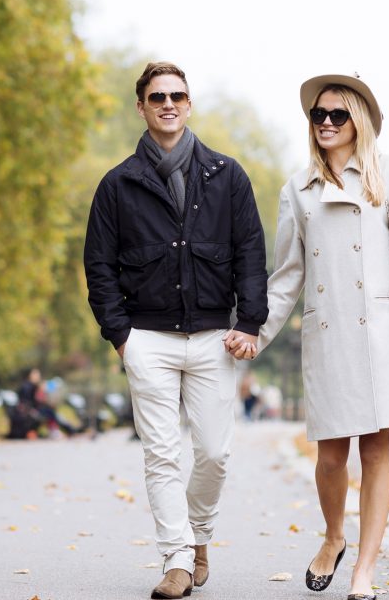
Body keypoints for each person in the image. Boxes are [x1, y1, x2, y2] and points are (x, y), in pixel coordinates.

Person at [231, 73, 389, 600]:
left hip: (385, 336)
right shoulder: (296, 190)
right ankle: (333, 536)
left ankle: (363, 571)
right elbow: (288, 275)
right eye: (317, 115)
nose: (325, 123)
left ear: (358, 122)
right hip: (329, 333)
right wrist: (254, 330)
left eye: (336, 115)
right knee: (329, 457)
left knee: (376, 453)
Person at [84, 61, 268, 599]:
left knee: (213, 453)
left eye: (177, 96)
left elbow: (249, 253)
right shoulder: (117, 185)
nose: (168, 104)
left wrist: (250, 322)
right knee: (161, 453)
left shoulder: (227, 175)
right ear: (140, 106)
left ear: (189, 105)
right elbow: (99, 265)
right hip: (147, 339)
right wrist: (121, 336)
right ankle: (177, 560)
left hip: (215, 337)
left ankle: (198, 536)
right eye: (157, 96)